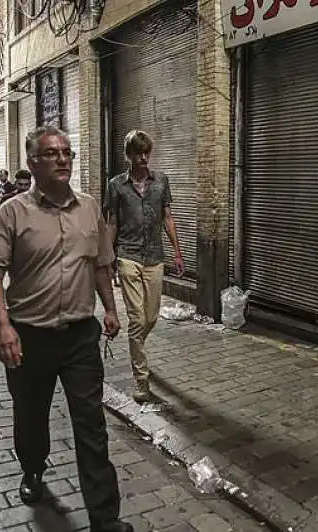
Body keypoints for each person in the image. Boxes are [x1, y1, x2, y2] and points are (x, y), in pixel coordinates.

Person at [0, 126, 132, 532]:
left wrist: (111, 310)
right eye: (52, 153)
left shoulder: (90, 208)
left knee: (91, 424)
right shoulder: (12, 212)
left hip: (80, 336)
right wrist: (2, 327)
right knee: (30, 416)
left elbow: (100, 263)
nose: (62, 159)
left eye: (67, 152)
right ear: (32, 163)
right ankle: (32, 468)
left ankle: (105, 517)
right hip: (30, 336)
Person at [104, 130, 185, 403]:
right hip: (127, 254)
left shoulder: (161, 181)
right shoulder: (115, 185)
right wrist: (107, 257)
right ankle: (141, 379)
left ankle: (137, 343)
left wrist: (177, 252)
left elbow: (168, 217)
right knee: (137, 319)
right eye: (138, 153)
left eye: (147, 152)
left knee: (150, 318)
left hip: (154, 256)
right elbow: (112, 222)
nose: (143, 157)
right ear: (128, 155)